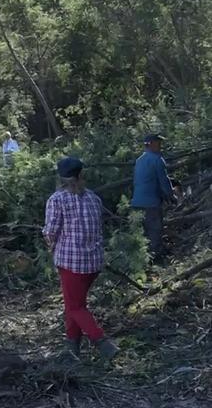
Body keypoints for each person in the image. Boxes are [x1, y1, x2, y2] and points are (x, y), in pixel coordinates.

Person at [43, 157, 119, 361]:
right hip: (93, 262)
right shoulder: (93, 198)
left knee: (76, 307)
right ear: (80, 175)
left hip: (71, 263)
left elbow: (50, 232)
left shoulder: (57, 199)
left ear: (60, 177)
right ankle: (71, 347)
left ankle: (103, 343)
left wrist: (51, 245)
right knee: (73, 304)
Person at [131, 134, 177, 259]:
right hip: (151, 202)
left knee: (142, 233)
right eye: (158, 143)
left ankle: (142, 259)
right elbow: (163, 181)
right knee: (155, 230)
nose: (160, 146)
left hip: (136, 201)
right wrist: (171, 196)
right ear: (150, 144)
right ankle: (156, 258)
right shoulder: (157, 159)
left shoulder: (139, 160)